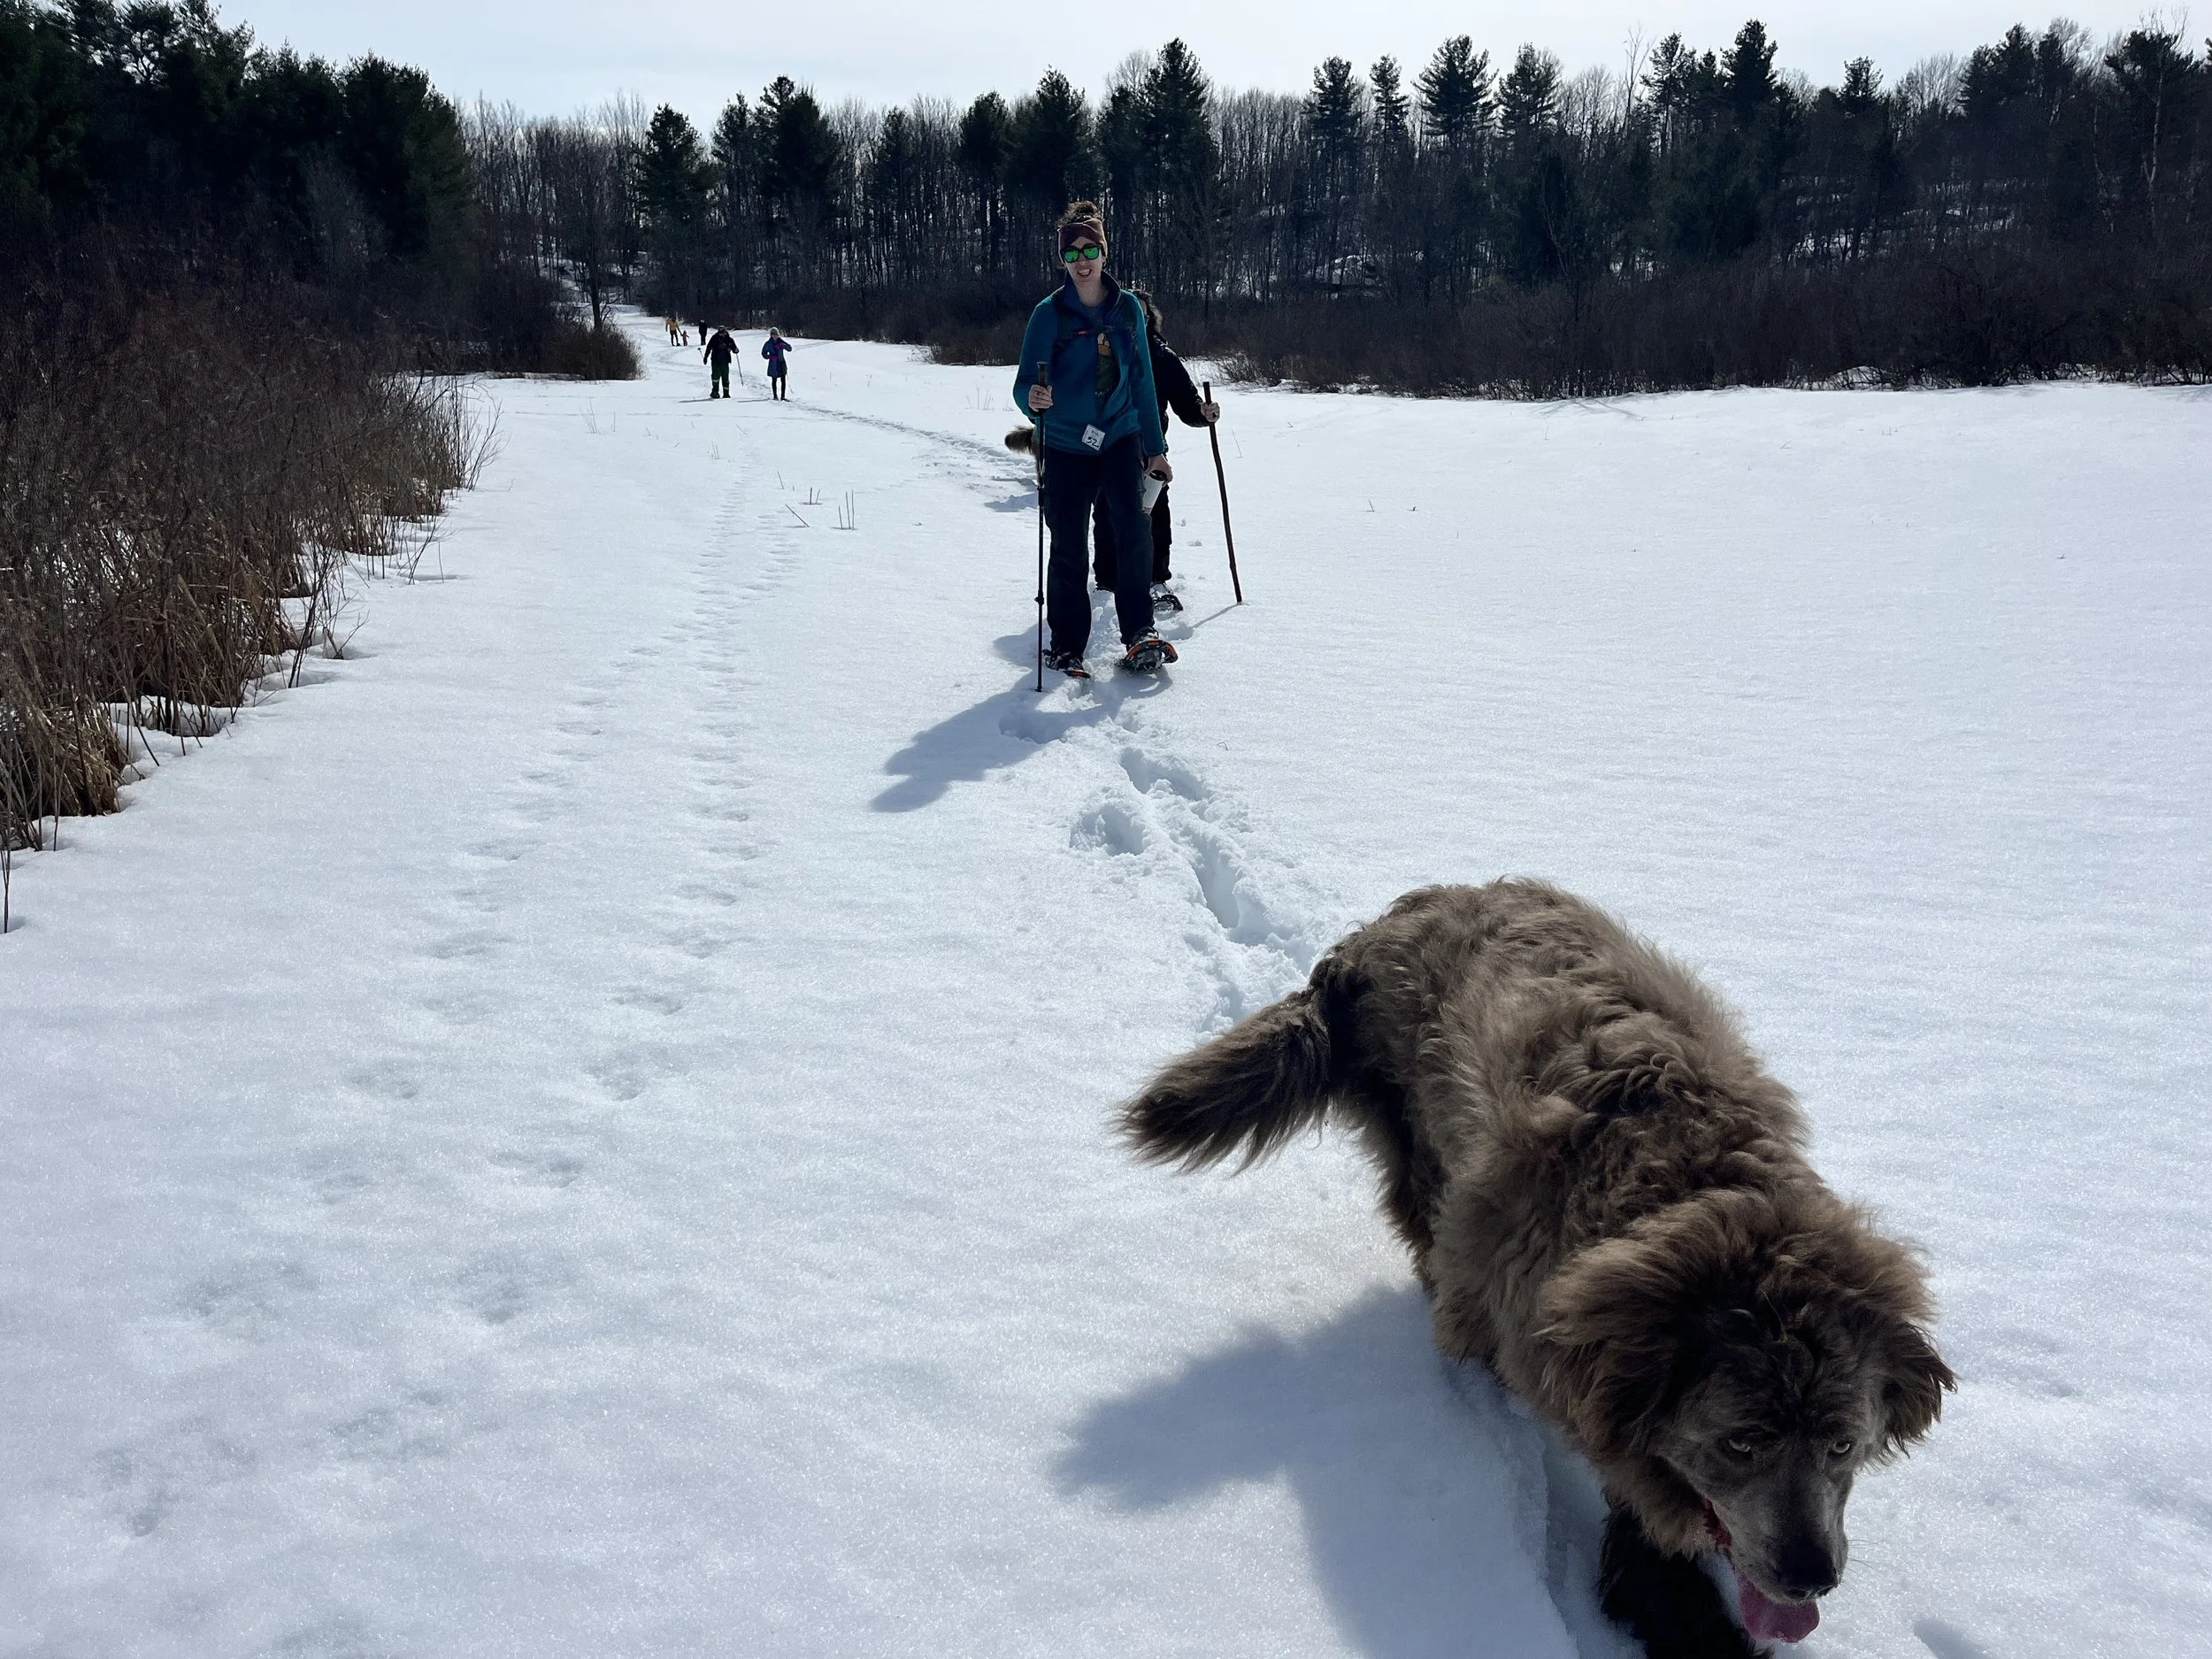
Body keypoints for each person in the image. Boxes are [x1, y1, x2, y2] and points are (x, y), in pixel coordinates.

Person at [1013, 202, 1176, 678]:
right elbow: (1024, 385)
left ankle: (1140, 631)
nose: (1082, 261)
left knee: (1132, 530)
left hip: (1120, 436)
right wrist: (1034, 400)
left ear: (1104, 253)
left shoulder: (1128, 310)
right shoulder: (1048, 315)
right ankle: (1067, 645)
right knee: (1068, 544)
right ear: (1062, 261)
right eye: (1072, 254)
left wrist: (1155, 448)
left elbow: (1143, 379)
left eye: (1090, 250)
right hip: (1065, 443)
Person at [1091, 288, 1218, 614]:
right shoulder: (1102, 351)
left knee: (1154, 513)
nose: (1137, 318)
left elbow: (1185, 401)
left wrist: (1201, 413)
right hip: (1107, 445)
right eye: (1130, 312)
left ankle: (1156, 577)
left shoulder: (1163, 357)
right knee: (1107, 512)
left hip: (1150, 450)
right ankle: (1107, 579)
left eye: (1143, 313)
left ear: (1150, 318)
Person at [703, 326, 737, 398]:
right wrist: (706, 357)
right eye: (720, 333)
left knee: (725, 378)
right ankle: (715, 392)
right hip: (715, 361)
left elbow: (734, 349)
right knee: (715, 377)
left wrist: (736, 350)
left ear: (725, 332)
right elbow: (709, 347)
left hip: (725, 362)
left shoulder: (729, 340)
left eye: (723, 332)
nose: (722, 334)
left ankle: (726, 393)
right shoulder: (714, 338)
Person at [762, 329, 791, 399]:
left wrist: (784, 345)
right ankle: (775, 396)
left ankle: (783, 397)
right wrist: (770, 356)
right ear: (771, 335)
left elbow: (790, 349)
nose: (775, 336)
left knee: (783, 380)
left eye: (776, 335)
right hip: (773, 364)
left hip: (781, 363)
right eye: (773, 335)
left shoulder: (781, 341)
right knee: (774, 380)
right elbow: (763, 354)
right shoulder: (768, 344)